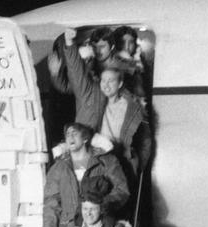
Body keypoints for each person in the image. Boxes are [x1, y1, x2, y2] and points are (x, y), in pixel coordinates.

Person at [64, 27, 153, 183]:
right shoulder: (93, 84)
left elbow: (143, 132)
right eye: (95, 47)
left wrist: (139, 165)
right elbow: (75, 75)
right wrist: (69, 45)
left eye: (102, 46)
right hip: (95, 156)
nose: (98, 51)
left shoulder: (128, 95)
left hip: (119, 160)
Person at [41, 122, 129, 227]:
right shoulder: (58, 168)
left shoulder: (106, 162)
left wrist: (100, 206)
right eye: (67, 134)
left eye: (74, 133)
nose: (70, 137)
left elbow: (122, 190)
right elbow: (51, 201)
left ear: (85, 138)